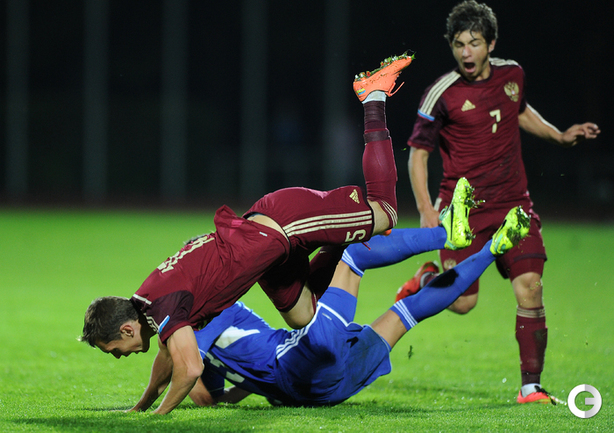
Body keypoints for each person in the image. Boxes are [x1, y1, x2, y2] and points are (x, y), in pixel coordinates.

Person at [79, 53, 422, 415]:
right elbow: (169, 357)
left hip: (284, 223)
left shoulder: (161, 307)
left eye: (112, 350)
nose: (117, 356)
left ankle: (372, 97)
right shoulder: (150, 304)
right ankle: (345, 245)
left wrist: (157, 418)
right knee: (303, 317)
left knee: (385, 213)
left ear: (127, 330)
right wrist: (140, 409)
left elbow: (190, 369)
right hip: (268, 255)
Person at [405, 0, 601, 404]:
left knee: (530, 287)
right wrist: (426, 209)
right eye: (459, 44)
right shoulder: (440, 93)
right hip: (463, 212)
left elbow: (520, 111)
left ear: (491, 44)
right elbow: (418, 155)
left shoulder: (513, 75)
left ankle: (530, 387)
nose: (466, 53)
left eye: (474, 43)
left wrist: (560, 136)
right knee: (463, 302)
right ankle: (425, 280)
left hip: (514, 204)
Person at [186, 206, 531, 408]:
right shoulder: (214, 312)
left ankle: (493, 247)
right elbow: (192, 374)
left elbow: (209, 397)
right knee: (352, 255)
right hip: (304, 361)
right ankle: (449, 237)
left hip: (325, 390)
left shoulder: (206, 327)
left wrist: (260, 384)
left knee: (407, 312)